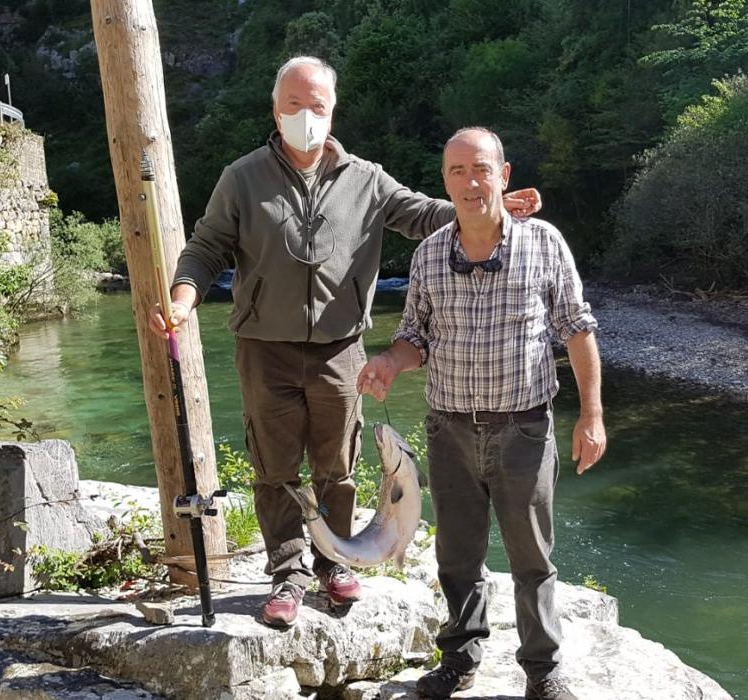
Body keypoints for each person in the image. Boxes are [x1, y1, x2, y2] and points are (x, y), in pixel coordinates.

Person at [149, 57, 542, 628]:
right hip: (264, 347)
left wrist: (489, 207)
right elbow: (206, 247)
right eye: (293, 105)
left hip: (341, 348)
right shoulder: (242, 177)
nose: (304, 116)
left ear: (332, 111)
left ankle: (334, 562)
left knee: (338, 465)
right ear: (275, 109)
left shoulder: (367, 178)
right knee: (274, 467)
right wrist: (184, 297)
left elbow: (426, 215)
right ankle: (287, 573)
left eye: (317, 106)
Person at [357, 127, 606, 700]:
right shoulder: (427, 254)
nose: (470, 183)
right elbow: (415, 336)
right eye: (456, 172)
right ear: (445, 181)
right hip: (448, 431)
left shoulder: (544, 242)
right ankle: (460, 657)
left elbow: (578, 328)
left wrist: (592, 416)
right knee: (457, 555)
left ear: (504, 175)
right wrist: (390, 363)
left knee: (531, 558)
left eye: (480, 170)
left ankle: (542, 671)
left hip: (524, 429)